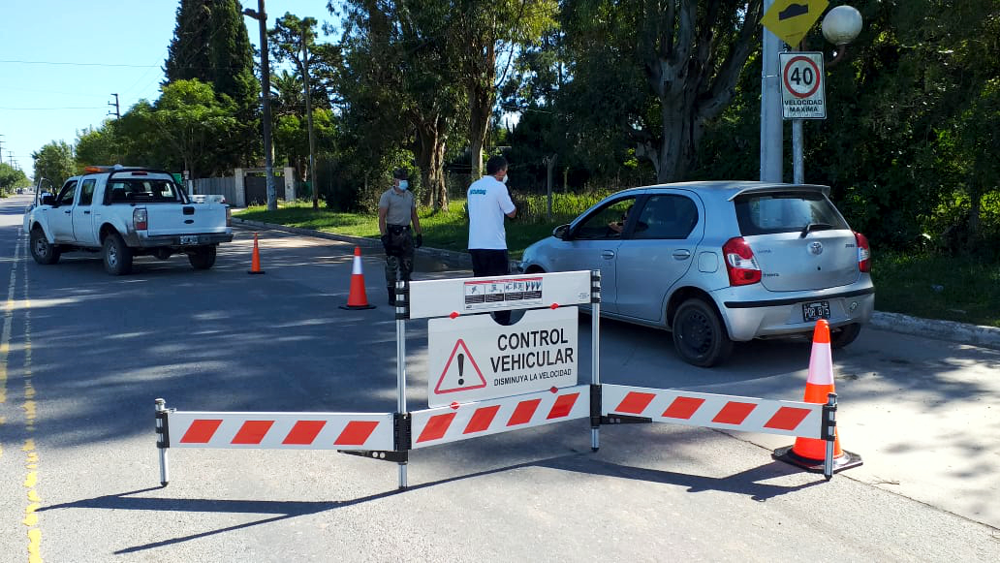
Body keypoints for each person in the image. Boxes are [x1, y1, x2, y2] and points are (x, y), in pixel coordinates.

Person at [467, 155, 517, 323]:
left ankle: (481, 320)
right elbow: (511, 213)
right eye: (506, 171)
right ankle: (502, 321)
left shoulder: (473, 187)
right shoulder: (499, 187)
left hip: (475, 244)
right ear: (500, 171)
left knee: (480, 285)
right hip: (495, 245)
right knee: (500, 286)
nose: (506, 174)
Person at [378, 168, 423, 305]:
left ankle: (406, 293)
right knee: (392, 266)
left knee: (407, 265)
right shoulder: (387, 196)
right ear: (395, 180)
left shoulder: (409, 195)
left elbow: (414, 215)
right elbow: (382, 217)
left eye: (405, 179)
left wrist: (418, 233)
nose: (404, 182)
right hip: (393, 233)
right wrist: (384, 235)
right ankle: (392, 294)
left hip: (406, 234)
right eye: (401, 179)